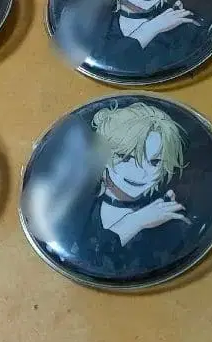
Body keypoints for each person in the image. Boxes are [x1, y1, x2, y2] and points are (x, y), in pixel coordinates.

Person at [67, 102, 193, 276]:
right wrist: (135, 221)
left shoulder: (169, 217)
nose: (141, 173)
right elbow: (85, 259)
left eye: (155, 162)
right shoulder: (74, 208)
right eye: (126, 157)